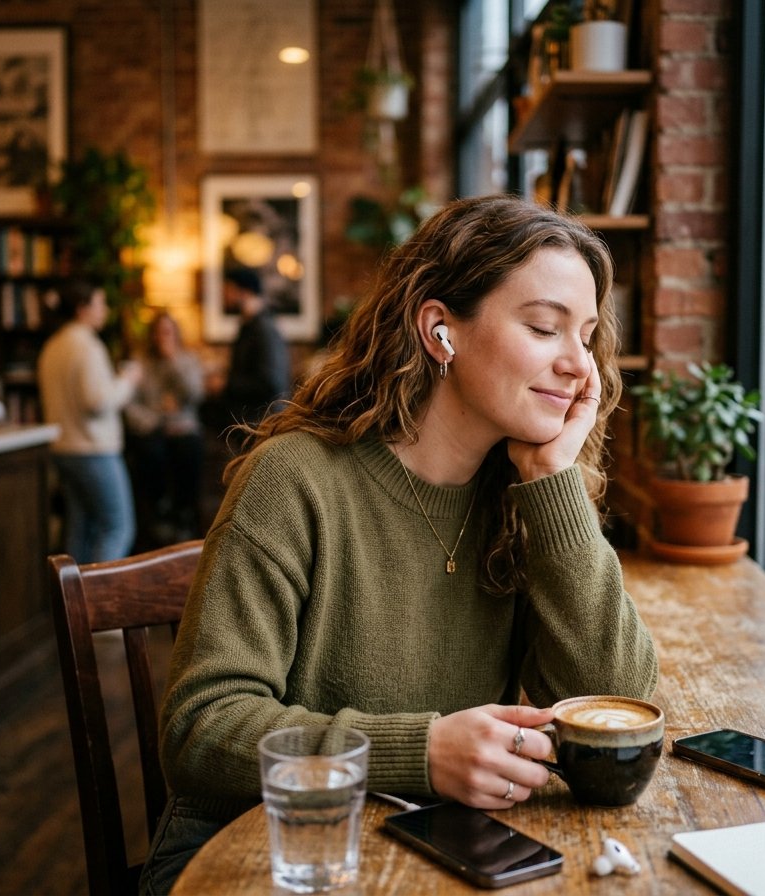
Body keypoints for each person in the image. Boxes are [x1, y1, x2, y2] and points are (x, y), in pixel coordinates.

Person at [139, 195, 659, 893]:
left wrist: (552, 481)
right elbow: (200, 731)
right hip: (264, 858)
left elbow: (620, 705)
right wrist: (419, 752)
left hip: (431, 856)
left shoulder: (522, 495)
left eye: (587, 336)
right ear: (440, 330)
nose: (579, 366)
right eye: (544, 328)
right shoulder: (295, 480)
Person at [37, 280, 143, 563]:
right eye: (100, 303)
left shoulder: (53, 346)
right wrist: (127, 381)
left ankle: (73, 601)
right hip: (93, 450)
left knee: (80, 528)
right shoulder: (86, 346)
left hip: (64, 449)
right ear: (82, 309)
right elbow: (98, 401)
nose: (104, 310)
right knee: (117, 527)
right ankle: (101, 601)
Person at [124, 312, 206, 547]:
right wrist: (157, 420)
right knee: (150, 451)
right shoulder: (141, 363)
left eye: (168, 332)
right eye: (159, 333)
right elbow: (131, 406)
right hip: (152, 427)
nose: (163, 337)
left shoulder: (187, 360)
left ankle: (184, 514)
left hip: (183, 427)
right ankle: (159, 510)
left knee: (188, 448)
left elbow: (195, 395)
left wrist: (173, 362)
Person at [204, 267, 291, 441]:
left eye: (228, 290)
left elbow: (270, 383)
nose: (224, 296)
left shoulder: (263, 330)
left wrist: (225, 384)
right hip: (248, 417)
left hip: (260, 422)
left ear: (244, 292)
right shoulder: (248, 327)